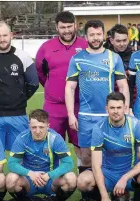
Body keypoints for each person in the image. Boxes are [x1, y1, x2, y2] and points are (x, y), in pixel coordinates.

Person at [65, 20, 130, 197]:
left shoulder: (113, 57)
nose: (95, 38)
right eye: (92, 35)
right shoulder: (77, 59)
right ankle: (91, 194)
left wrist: (126, 109)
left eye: (98, 34)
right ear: (86, 36)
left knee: (111, 154)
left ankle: (117, 191)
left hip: (110, 115)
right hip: (86, 116)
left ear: (104, 35)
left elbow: (123, 86)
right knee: (86, 157)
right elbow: (70, 88)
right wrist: (71, 114)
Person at [77, 92, 140, 201]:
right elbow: (96, 165)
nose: (116, 111)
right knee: (83, 181)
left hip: (130, 173)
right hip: (107, 174)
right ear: (107, 109)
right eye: (112, 108)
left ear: (125, 108)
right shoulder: (99, 128)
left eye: (119, 107)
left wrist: (125, 178)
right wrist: (104, 196)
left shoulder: (136, 125)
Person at [36, 11, 88, 173]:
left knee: (82, 147)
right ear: (57, 27)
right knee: (51, 146)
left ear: (75, 25)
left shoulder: (85, 46)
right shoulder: (46, 48)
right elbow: (41, 73)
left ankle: (85, 187)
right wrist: (54, 90)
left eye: (69, 26)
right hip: (54, 106)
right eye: (62, 27)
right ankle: (54, 186)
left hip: (80, 105)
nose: (66, 30)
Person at [0, 21, 39, 151]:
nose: (2, 39)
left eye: (5, 35)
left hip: (18, 116)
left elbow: (34, 83)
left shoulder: (23, 57)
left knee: (20, 155)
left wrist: (19, 98)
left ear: (11, 35)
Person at [6, 109, 76, 201]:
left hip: (51, 181)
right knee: (10, 179)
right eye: (34, 127)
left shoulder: (55, 138)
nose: (37, 131)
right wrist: (30, 173)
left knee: (71, 178)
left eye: (41, 127)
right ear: (29, 126)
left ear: (48, 126)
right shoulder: (22, 138)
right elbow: (11, 164)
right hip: (29, 180)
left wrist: (49, 175)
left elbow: (68, 163)